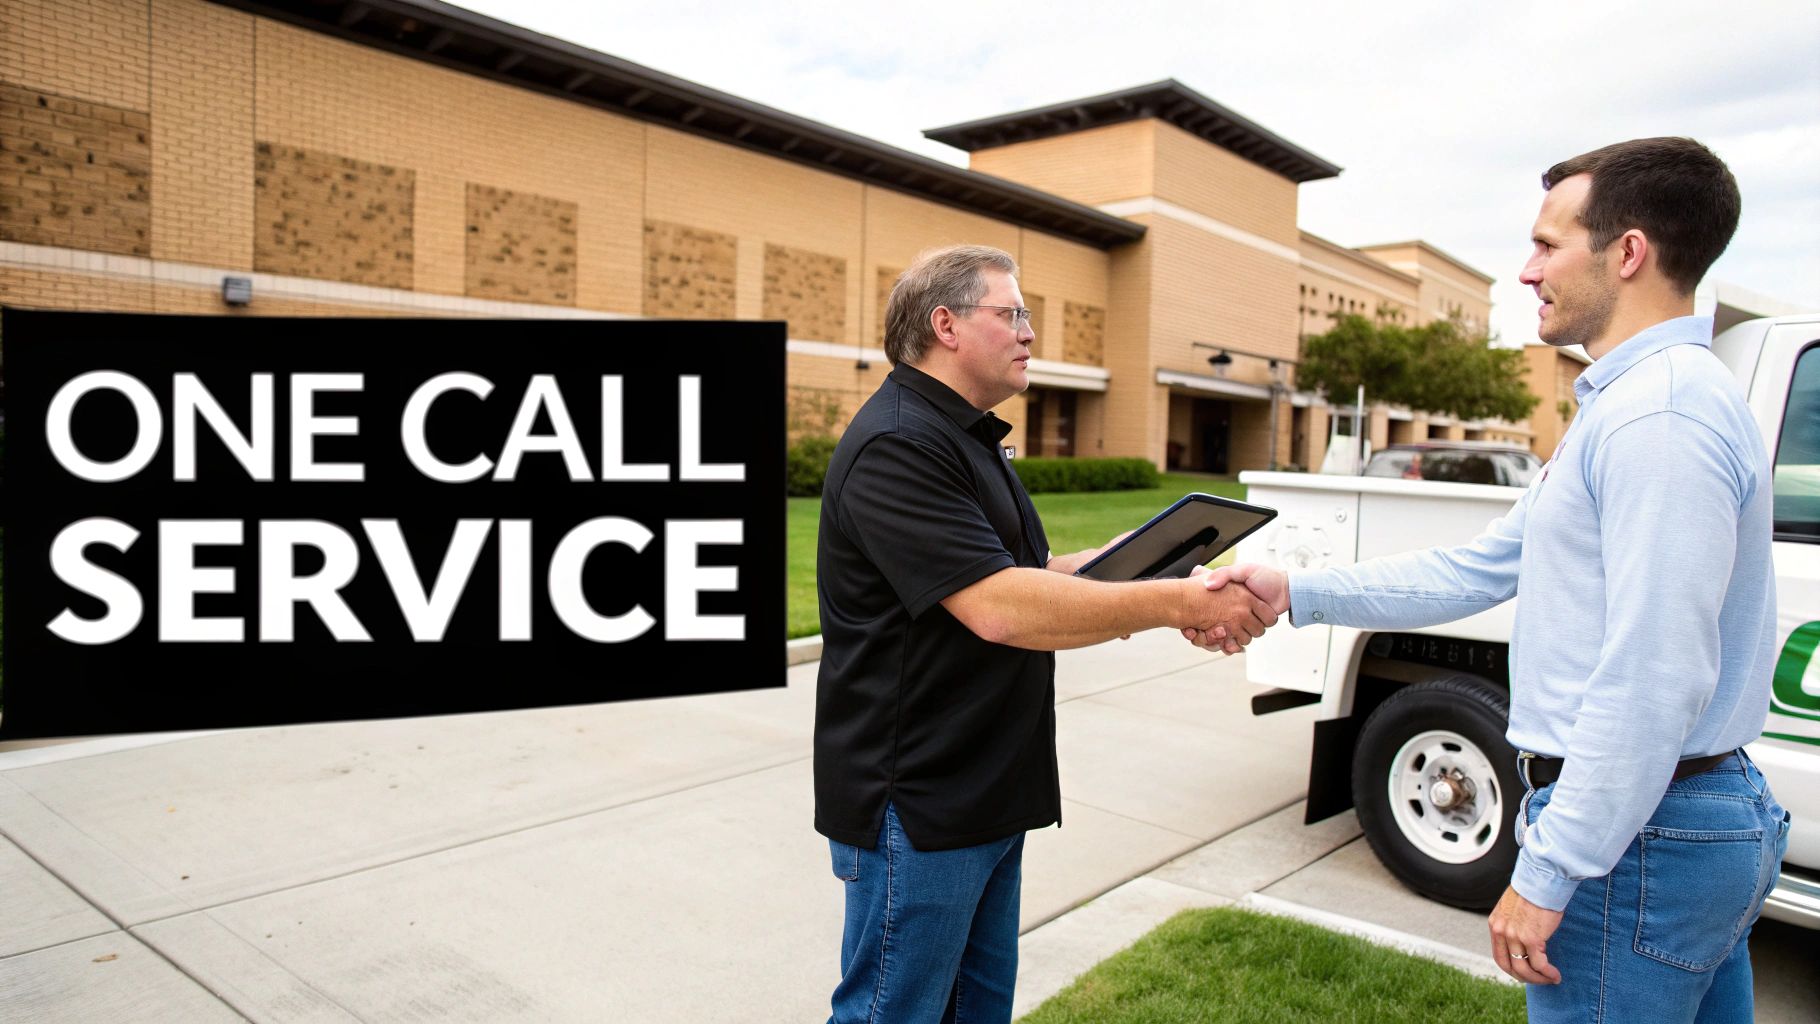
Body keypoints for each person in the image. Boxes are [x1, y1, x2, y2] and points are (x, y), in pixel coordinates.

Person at [1195, 138, 1789, 1022]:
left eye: (1549, 245)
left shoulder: (1659, 416)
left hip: (1642, 844)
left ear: (1628, 253)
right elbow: (1482, 565)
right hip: (1670, 827)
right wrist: (1297, 591)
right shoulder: (1637, 404)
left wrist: (1552, 867)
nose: (1526, 270)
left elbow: (1654, 677)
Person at [815, 244, 1277, 1023]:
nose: (1031, 333)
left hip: (988, 788)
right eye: (1014, 314)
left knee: (975, 1011)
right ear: (946, 325)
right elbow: (999, 607)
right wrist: (1179, 605)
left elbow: (1023, 572)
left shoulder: (962, 437)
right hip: (920, 802)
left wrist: (1145, 564)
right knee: (890, 1014)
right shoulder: (899, 443)